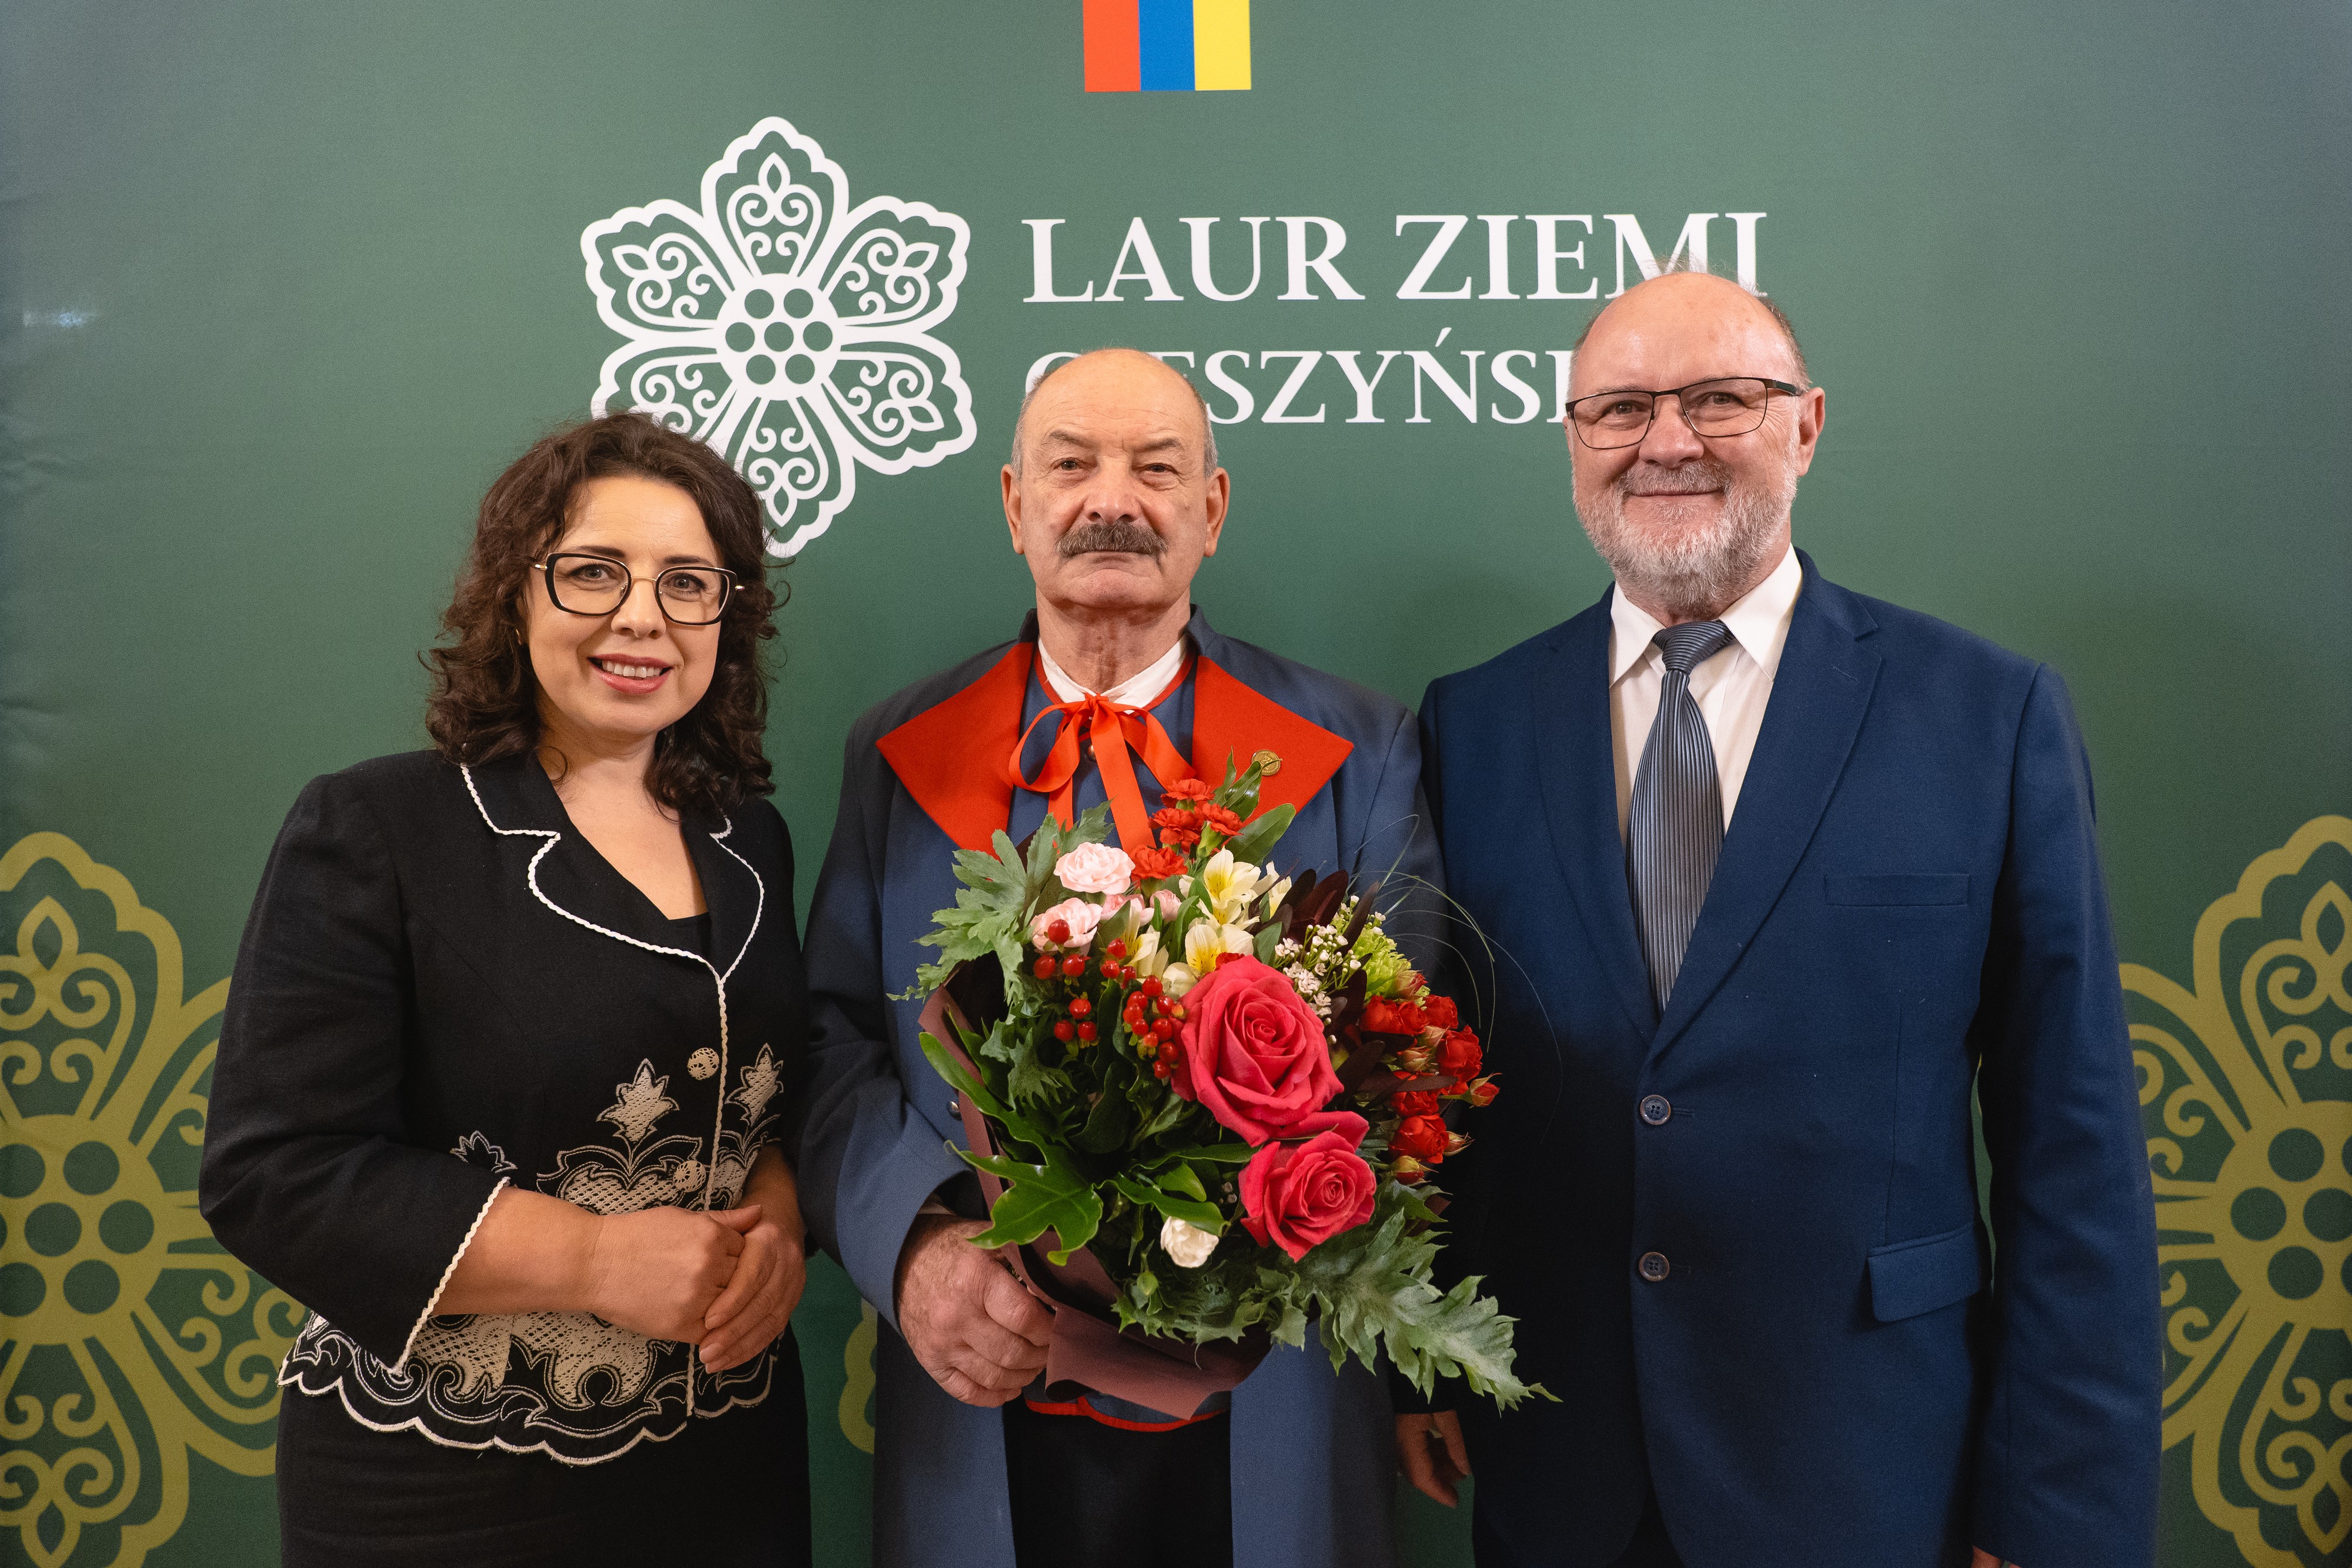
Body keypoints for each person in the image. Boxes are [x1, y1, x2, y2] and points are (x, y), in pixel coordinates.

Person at [1401, 271, 2160, 1567]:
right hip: (1557, 1461)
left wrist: (2056, 1512)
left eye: (1719, 400)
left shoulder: (1986, 717)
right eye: (1620, 408)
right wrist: (1419, 1353)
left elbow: (2072, 1147)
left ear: (1805, 425)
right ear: (1574, 441)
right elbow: (1434, 1083)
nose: (1667, 441)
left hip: (1873, 1466)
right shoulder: (1470, 725)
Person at [787, 348, 1436, 1568]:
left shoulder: (1359, 749)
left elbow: (1402, 1073)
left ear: (1212, 509)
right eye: (1071, 465)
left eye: (1157, 469)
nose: (1112, 501)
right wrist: (916, 1247)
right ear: (1013, 503)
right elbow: (829, 1047)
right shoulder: (896, 750)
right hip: (984, 1384)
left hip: (1268, 1394)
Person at [201, 412, 813, 1567]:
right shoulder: (379, 825)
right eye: (593, 571)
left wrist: (778, 1218)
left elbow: (772, 1095)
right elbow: (274, 1172)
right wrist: (593, 1260)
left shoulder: (752, 840)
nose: (642, 616)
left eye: (687, 582)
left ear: (726, 621)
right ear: (513, 595)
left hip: (728, 1464)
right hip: (447, 1489)